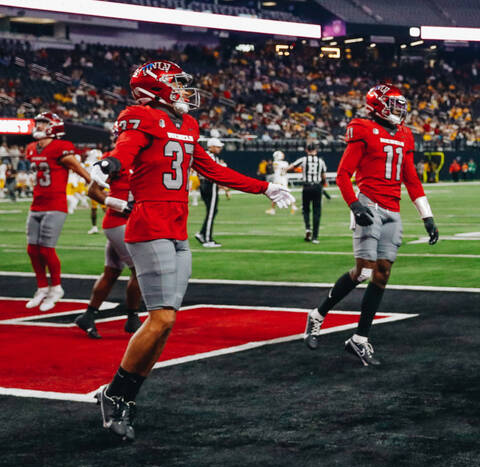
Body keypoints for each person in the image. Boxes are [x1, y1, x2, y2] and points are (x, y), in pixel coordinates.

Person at [90, 60, 295, 440]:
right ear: (156, 88)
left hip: (177, 229)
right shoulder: (140, 115)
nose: (185, 91)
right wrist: (108, 164)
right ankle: (113, 393)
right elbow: (126, 149)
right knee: (162, 319)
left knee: (165, 325)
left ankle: (127, 398)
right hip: (149, 224)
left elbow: (212, 168)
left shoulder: (188, 124)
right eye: (177, 85)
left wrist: (263, 187)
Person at [304, 84, 440, 367]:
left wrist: (427, 216)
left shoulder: (404, 134)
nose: (399, 111)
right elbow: (343, 174)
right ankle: (318, 314)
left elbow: (412, 179)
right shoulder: (362, 128)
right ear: (377, 105)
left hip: (393, 209)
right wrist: (355, 205)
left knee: (382, 273)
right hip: (368, 204)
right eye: (393, 105)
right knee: (364, 270)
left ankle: (359, 339)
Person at [24, 112, 94, 311]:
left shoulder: (62, 148)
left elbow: (80, 170)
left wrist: (95, 184)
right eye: (38, 123)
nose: (38, 126)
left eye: (43, 123)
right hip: (36, 203)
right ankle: (41, 288)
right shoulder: (30, 148)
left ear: (53, 126)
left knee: (46, 249)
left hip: (55, 205)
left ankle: (56, 288)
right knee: (32, 249)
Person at [74, 152, 143, 339]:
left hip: (126, 223)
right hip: (118, 223)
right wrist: (122, 205)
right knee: (139, 269)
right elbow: (93, 191)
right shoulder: (113, 159)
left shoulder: (145, 157)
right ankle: (132, 318)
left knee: (111, 272)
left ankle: (88, 316)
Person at [292, 142, 328, 243]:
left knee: (306, 209)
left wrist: (296, 170)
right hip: (317, 187)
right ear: (316, 151)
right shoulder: (320, 161)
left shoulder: (303, 160)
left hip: (306, 187)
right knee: (317, 212)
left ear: (306, 150)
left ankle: (308, 228)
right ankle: (315, 237)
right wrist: (324, 184)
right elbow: (323, 176)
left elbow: (291, 167)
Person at [195, 137, 226, 247]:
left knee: (213, 211)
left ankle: (202, 233)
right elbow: (214, 172)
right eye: (217, 147)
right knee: (212, 211)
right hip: (210, 185)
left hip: (203, 184)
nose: (219, 149)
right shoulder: (212, 157)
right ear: (211, 146)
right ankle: (207, 239)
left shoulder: (205, 155)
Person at [265, 150, 294, 215]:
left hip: (278, 180)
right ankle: (293, 206)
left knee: (275, 195)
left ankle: (273, 210)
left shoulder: (275, 162)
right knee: (285, 195)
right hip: (284, 180)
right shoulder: (285, 163)